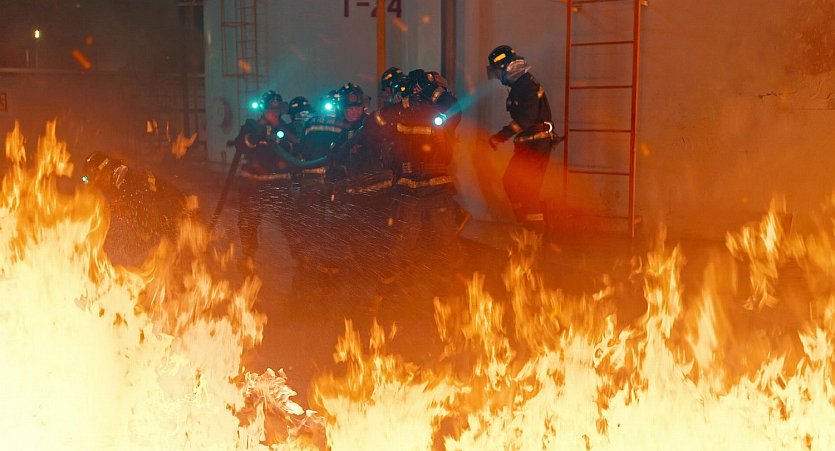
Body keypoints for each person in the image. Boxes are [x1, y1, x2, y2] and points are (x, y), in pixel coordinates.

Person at [234, 90, 328, 272]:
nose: (274, 113)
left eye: (277, 110)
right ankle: (247, 258)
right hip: (252, 186)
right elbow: (241, 145)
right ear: (263, 110)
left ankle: (301, 259)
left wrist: (280, 128)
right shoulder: (251, 126)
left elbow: (299, 144)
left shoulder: (286, 128)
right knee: (248, 222)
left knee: (290, 223)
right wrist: (257, 133)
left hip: (278, 185)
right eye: (271, 110)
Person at [385, 72, 463, 283]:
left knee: (443, 235)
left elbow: (454, 109)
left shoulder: (442, 113)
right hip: (409, 185)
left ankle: (449, 278)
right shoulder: (400, 112)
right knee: (404, 235)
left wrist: (432, 88)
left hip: (436, 184)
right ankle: (401, 279)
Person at [486, 45, 560, 231]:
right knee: (511, 182)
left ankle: (535, 234)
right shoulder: (520, 85)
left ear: (507, 68)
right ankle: (525, 225)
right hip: (527, 145)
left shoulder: (527, 86)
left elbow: (525, 120)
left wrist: (500, 136)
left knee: (528, 189)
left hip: (537, 145)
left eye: (497, 72)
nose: (497, 76)